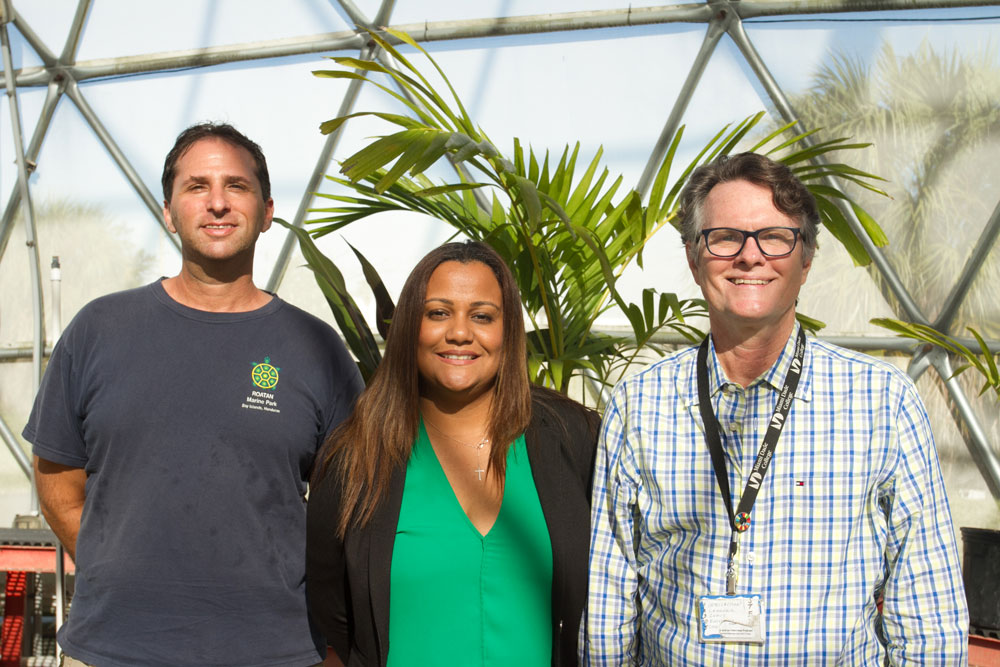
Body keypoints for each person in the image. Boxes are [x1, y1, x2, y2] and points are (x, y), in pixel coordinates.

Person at [582, 152, 968, 664]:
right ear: (695, 259)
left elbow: (928, 615)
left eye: (775, 237)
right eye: (725, 237)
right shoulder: (640, 404)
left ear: (805, 260)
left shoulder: (882, 402)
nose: (750, 256)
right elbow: (609, 603)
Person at [23, 122, 363, 667]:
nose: (218, 204)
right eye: (197, 186)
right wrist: (112, 564)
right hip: (112, 650)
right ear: (168, 211)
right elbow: (57, 477)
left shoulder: (315, 349)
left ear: (267, 211)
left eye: (237, 186)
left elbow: (352, 510)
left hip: (276, 652)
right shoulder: (99, 330)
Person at [306, 241, 600, 666]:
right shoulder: (356, 456)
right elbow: (335, 609)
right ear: (410, 326)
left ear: (508, 331)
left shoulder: (571, 438)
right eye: (438, 313)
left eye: (482, 316)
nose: (460, 332)